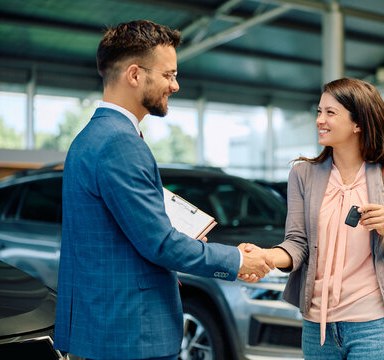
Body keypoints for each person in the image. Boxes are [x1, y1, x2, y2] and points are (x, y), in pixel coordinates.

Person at [53, 20, 272, 360]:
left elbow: (126, 232)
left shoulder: (91, 138)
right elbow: (159, 244)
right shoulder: (119, 144)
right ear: (135, 74)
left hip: (108, 328)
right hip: (129, 334)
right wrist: (239, 259)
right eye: (169, 74)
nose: (176, 85)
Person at [248, 78, 384, 359]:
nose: (320, 120)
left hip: (376, 326)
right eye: (319, 112)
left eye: (330, 113)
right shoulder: (303, 175)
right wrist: (267, 258)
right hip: (317, 327)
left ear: (358, 124)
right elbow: (298, 243)